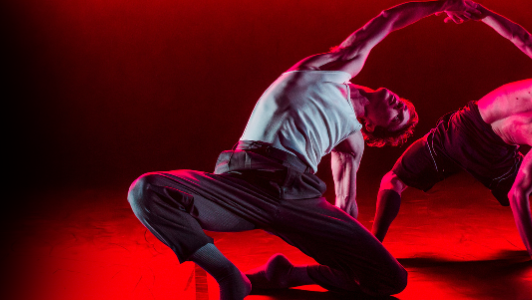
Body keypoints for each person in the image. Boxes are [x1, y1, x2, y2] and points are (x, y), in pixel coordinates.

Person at [126, 1, 482, 299]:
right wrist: (441, 4)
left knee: (392, 279)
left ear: (374, 127)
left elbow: (346, 204)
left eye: (398, 113)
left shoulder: (353, 140)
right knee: (147, 191)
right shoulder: (334, 68)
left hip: (299, 198)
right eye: (402, 103)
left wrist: (349, 247)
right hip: (242, 183)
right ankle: (229, 275)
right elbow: (387, 21)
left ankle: (282, 276)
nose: (397, 102)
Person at [371, 1, 532, 269]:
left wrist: (482, 14)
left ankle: (372, 247)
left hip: (460, 131)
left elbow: (519, 37)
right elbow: (517, 194)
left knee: (393, 179)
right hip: (493, 159)